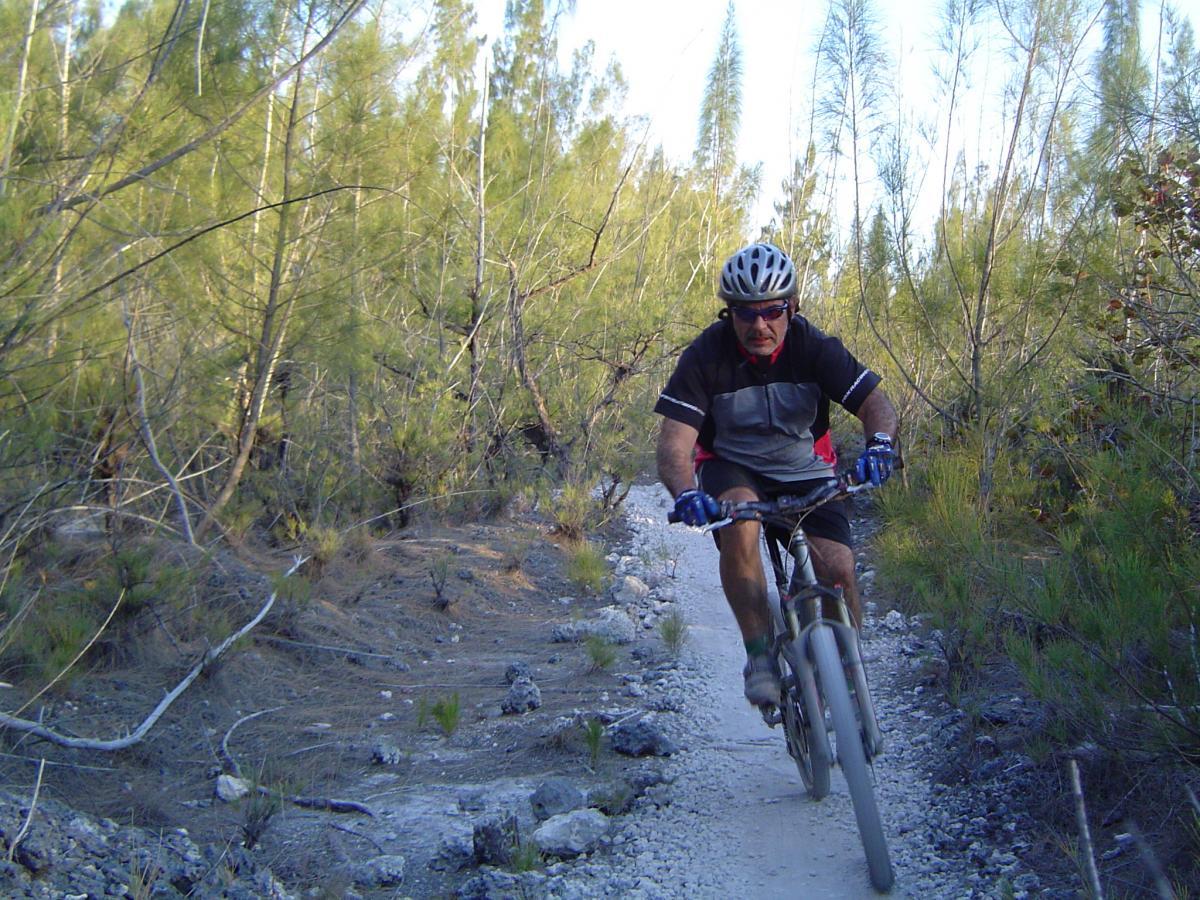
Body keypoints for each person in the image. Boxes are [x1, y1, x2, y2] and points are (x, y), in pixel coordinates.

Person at [655, 242, 899, 707]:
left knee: (840, 569)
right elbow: (674, 444)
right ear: (729, 314)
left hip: (803, 467)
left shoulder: (814, 347)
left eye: (773, 310)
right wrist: (685, 492)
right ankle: (760, 653)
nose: (759, 325)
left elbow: (875, 404)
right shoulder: (706, 355)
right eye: (745, 314)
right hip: (732, 464)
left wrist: (881, 445)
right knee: (741, 527)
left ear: (793, 306)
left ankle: (848, 669)